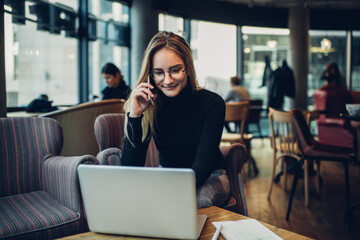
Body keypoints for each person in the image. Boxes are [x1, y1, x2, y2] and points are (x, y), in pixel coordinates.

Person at [121, 31, 229, 208]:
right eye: (159, 73)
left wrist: (172, 192)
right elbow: (130, 169)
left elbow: (202, 163)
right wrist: (135, 116)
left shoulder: (212, 103)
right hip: (168, 175)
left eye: (175, 70)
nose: (168, 80)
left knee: (194, 203)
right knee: (134, 201)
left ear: (187, 67)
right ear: (151, 75)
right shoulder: (150, 105)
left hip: (210, 176)